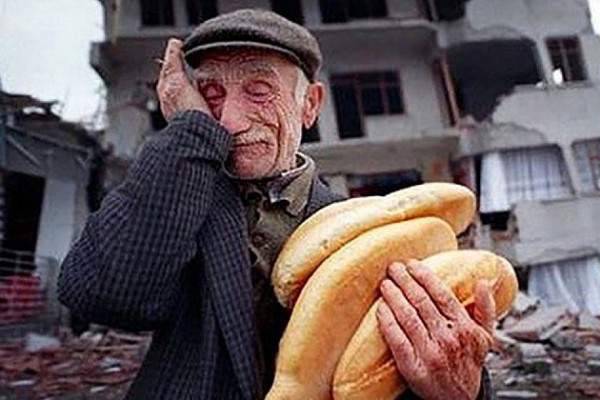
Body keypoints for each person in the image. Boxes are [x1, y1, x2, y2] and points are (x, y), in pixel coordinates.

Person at [58, 9, 495, 400]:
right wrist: (190, 131)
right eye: (210, 95)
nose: (229, 121)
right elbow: (101, 295)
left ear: (310, 105)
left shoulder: (368, 233)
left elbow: (400, 365)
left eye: (259, 90)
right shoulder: (177, 200)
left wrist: (464, 391)